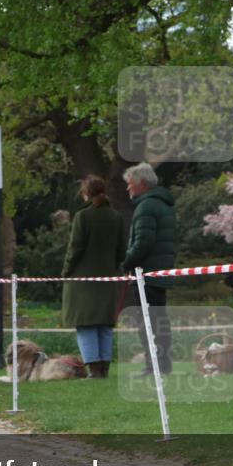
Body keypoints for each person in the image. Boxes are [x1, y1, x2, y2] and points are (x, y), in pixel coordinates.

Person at [61, 175, 126, 378]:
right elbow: (121, 251)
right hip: (108, 278)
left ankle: (94, 370)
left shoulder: (83, 217)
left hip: (83, 280)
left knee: (86, 324)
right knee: (104, 324)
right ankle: (104, 369)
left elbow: (75, 248)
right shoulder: (116, 217)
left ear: (86, 193)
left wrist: (66, 271)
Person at [121, 162, 177, 375]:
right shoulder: (163, 204)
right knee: (159, 320)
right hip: (159, 271)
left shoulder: (146, 206)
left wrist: (126, 263)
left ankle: (154, 365)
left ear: (142, 184)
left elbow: (143, 242)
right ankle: (163, 364)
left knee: (148, 322)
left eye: (130, 184)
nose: (128, 188)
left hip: (147, 272)